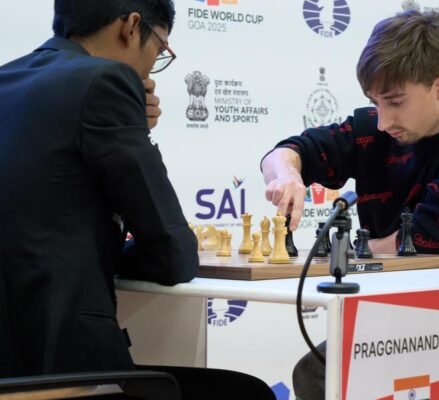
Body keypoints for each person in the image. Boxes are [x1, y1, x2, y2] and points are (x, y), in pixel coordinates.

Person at [0, 2, 276, 398]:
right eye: (160, 48)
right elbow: (174, 252)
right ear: (132, 26)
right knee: (246, 393)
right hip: (66, 373)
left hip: (12, 369)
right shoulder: (107, 80)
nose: (150, 69)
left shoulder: (8, 78)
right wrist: (136, 129)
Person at [260, 10, 439, 399]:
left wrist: (349, 252)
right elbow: (289, 151)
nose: (383, 121)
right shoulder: (374, 131)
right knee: (317, 373)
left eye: (395, 102)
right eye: (375, 103)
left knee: (324, 375)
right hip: (405, 312)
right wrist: (287, 173)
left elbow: (429, 243)